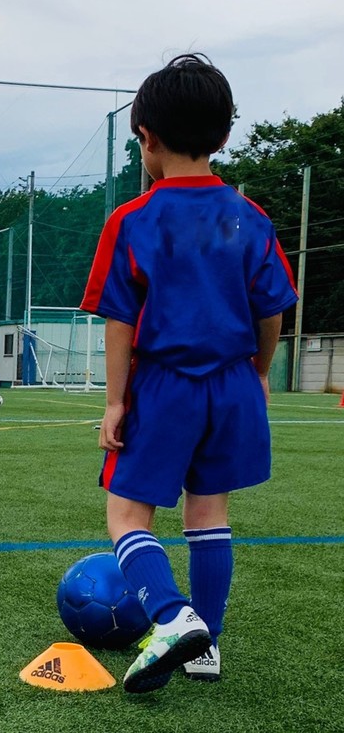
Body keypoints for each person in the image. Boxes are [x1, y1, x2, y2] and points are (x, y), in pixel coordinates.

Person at [80, 53, 298, 694]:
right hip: (233, 384)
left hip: (164, 384)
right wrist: (259, 372)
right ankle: (208, 648)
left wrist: (115, 402)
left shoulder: (132, 220)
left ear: (145, 137)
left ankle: (173, 618)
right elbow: (272, 311)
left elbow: (120, 320)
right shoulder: (250, 217)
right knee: (209, 513)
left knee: (127, 514)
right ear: (224, 136)